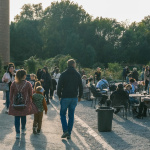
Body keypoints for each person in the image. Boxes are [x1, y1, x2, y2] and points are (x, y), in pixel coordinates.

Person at [57, 59, 83, 139]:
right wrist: (80, 96)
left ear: (68, 64)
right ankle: (69, 133)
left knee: (62, 114)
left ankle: (65, 131)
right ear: (74, 64)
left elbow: (59, 85)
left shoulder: (63, 74)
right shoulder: (77, 74)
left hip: (65, 96)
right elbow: (81, 86)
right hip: (74, 97)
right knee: (71, 115)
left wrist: (59, 95)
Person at [9, 69, 38, 139]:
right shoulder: (27, 84)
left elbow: (11, 94)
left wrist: (11, 102)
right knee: (23, 116)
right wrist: (30, 103)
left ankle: (17, 133)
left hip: (15, 104)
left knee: (16, 118)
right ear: (24, 76)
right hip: (25, 104)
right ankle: (23, 129)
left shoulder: (13, 83)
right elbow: (31, 94)